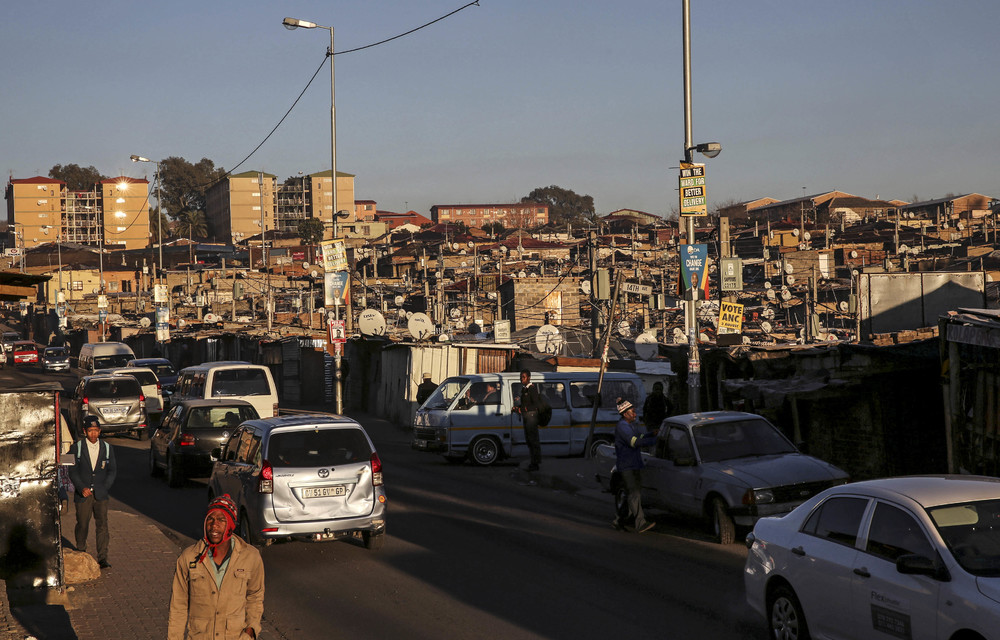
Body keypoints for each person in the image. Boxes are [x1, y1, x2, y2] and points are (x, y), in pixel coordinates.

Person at [168, 494, 265, 640]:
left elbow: (255, 596)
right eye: (210, 519)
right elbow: (178, 606)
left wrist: (251, 629)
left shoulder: (250, 556)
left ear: (231, 525)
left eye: (221, 520)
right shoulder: (188, 558)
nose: (214, 525)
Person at [68, 415, 117, 568]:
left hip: (101, 494)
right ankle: (81, 551)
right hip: (83, 495)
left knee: (102, 525)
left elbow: (112, 471)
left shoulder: (107, 448)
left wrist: (105, 486)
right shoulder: (76, 448)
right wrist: (81, 487)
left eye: (96, 430)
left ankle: (102, 558)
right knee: (82, 524)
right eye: (90, 431)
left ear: (100, 431)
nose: (93, 434)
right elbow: (72, 470)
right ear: (85, 431)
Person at [611, 398, 657, 533]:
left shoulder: (629, 425)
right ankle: (640, 523)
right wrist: (655, 440)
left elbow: (640, 435)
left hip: (634, 464)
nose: (635, 414)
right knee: (634, 493)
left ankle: (618, 520)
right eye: (633, 412)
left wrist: (650, 434)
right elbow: (635, 442)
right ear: (625, 414)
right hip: (627, 466)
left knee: (632, 495)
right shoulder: (622, 427)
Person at [514, 369, 543, 471]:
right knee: (529, 440)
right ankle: (532, 461)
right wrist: (517, 407)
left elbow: (535, 405)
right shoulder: (524, 389)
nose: (522, 379)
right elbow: (525, 403)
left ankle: (536, 463)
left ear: (529, 378)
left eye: (524, 377)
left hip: (531, 417)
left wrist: (522, 409)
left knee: (533, 440)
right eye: (521, 377)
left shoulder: (532, 389)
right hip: (526, 417)